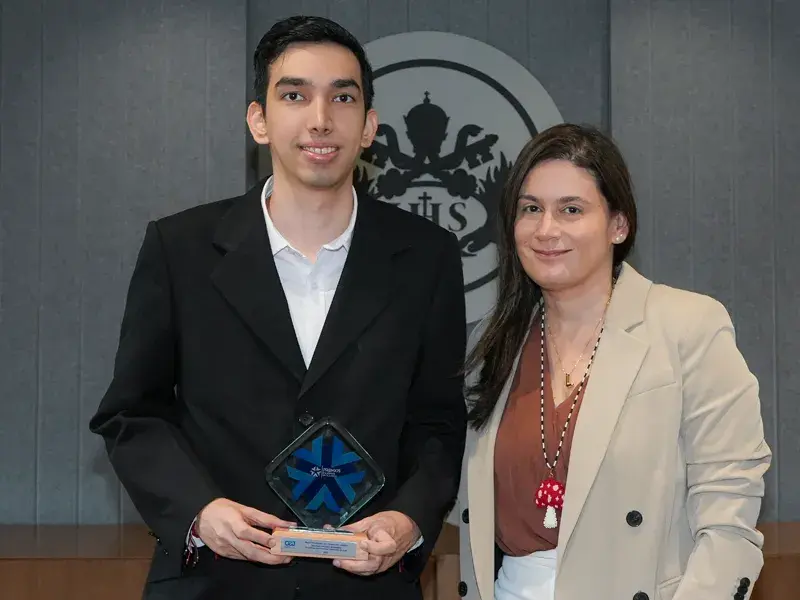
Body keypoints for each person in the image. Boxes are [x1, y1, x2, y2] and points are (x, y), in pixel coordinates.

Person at [89, 15, 467, 600]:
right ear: (258, 120)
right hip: (216, 581)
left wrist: (409, 520)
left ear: (368, 126)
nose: (320, 119)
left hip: (365, 587)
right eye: (294, 95)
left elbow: (438, 422)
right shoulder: (180, 248)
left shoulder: (427, 256)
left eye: (343, 97)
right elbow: (131, 415)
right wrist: (200, 511)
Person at [449, 123, 771, 600]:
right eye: (531, 209)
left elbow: (729, 524)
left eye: (571, 210)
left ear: (618, 224)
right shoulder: (492, 346)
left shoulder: (688, 327)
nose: (546, 230)